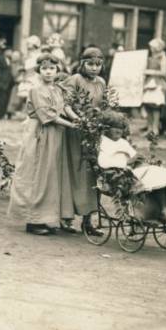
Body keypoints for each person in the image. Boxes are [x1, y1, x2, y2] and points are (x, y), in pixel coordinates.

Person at [8, 52, 79, 235]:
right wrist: (71, 125)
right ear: (39, 70)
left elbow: (63, 108)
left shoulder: (57, 89)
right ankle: (33, 220)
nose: (48, 72)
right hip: (40, 133)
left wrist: (79, 119)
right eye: (44, 68)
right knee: (37, 174)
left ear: (58, 70)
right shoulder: (36, 90)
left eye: (52, 68)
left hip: (55, 134)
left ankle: (46, 218)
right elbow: (48, 115)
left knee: (51, 175)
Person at [97, 111, 166, 225]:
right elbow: (103, 162)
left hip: (132, 171)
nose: (119, 130)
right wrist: (127, 162)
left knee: (161, 172)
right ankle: (165, 211)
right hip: (119, 174)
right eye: (115, 128)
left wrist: (138, 158)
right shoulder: (104, 143)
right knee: (155, 175)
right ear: (106, 129)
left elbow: (133, 155)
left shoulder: (123, 142)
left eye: (121, 128)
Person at [62, 47, 107, 234]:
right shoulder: (75, 80)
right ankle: (66, 217)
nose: (94, 68)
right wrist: (78, 120)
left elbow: (103, 105)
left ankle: (88, 220)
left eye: (98, 64)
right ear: (82, 63)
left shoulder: (102, 82)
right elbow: (65, 105)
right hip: (76, 131)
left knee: (93, 173)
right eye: (90, 64)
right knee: (74, 172)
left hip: (94, 132)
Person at [142, 38, 166, 134]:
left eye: (153, 47)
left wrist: (149, 71)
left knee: (155, 106)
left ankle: (155, 128)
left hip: (157, 83)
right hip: (149, 82)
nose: (151, 48)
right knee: (148, 105)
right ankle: (149, 128)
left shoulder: (162, 57)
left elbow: (164, 72)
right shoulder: (150, 57)